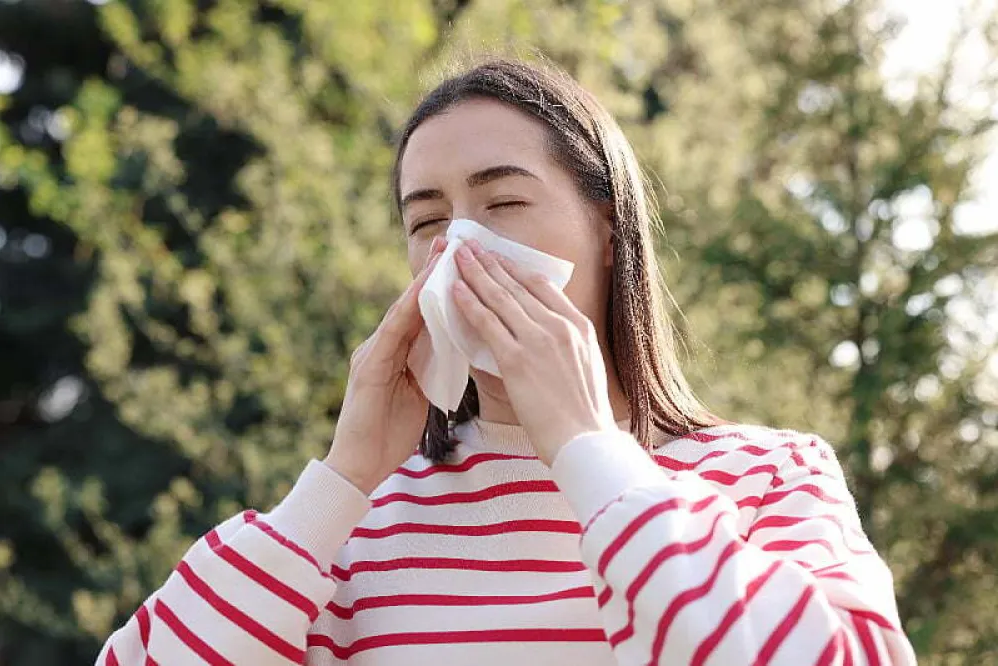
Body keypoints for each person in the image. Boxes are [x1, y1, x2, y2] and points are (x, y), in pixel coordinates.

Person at [97, 58, 916, 666]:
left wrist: (591, 452)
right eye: (426, 222)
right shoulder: (350, 531)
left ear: (605, 226)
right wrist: (340, 481)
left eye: (503, 203)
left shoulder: (769, 474)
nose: (460, 247)